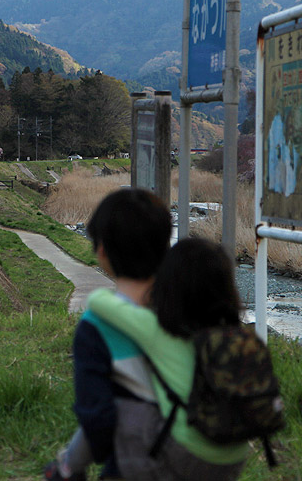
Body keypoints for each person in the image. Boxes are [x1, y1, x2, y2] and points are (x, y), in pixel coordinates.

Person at [86, 238, 250, 479]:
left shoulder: (159, 330)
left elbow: (98, 301)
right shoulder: (236, 336)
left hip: (187, 453)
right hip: (235, 456)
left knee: (127, 407)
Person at [44, 188, 173, 481]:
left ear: (102, 251)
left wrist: (72, 466)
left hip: (135, 466)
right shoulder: (188, 308)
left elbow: (98, 419)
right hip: (200, 460)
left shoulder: (96, 326)